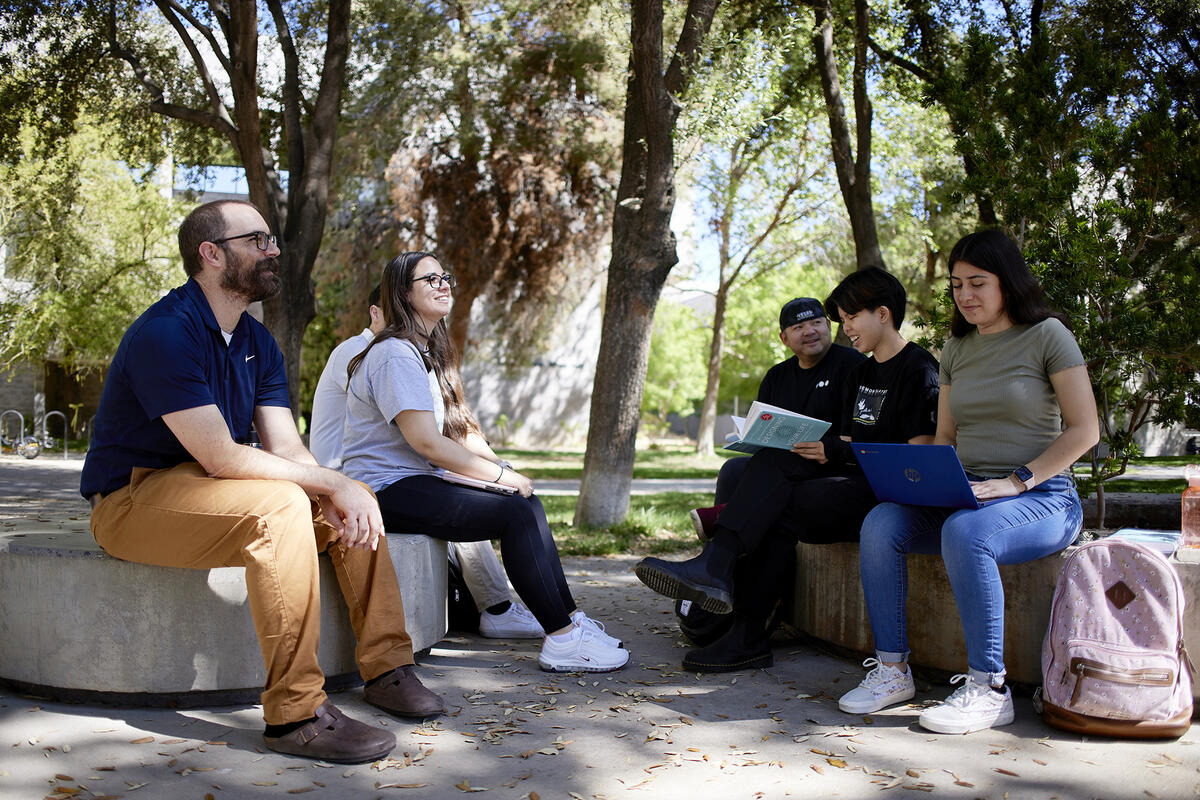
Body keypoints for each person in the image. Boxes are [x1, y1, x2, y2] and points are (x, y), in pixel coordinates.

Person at [80, 200, 444, 765]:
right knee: (281, 507)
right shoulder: (166, 333)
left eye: (272, 239)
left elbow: (286, 448)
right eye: (258, 241)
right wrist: (328, 483)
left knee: (349, 498)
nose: (274, 250)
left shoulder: (256, 341)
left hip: (205, 489)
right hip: (132, 499)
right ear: (211, 254)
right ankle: (296, 715)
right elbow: (221, 456)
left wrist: (335, 487)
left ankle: (388, 669)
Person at [838, 230, 1099, 735]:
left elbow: (1085, 430)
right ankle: (892, 670)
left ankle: (989, 687)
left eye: (977, 283)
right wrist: (920, 481)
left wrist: (1017, 481)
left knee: (966, 532)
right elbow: (945, 438)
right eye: (957, 285)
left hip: (1044, 496)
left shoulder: (1048, 335)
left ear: (1007, 282)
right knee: (881, 522)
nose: (965, 295)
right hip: (970, 490)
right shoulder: (956, 347)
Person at [636, 269, 940, 672]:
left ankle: (723, 580)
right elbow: (849, 442)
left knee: (772, 499)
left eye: (850, 318)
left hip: (885, 495)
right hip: (850, 481)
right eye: (842, 319)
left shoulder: (918, 368)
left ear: (882, 314)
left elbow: (917, 461)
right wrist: (832, 449)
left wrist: (835, 451)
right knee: (772, 476)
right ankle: (738, 617)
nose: (845, 328)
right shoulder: (864, 373)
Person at [340, 251, 628, 673]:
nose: (443, 284)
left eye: (445, 277)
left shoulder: (421, 353)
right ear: (402, 292)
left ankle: (569, 621)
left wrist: (504, 473)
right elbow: (428, 443)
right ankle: (564, 641)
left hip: (413, 482)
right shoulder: (395, 354)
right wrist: (500, 476)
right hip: (383, 490)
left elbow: (454, 434)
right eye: (430, 279)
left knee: (526, 504)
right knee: (515, 513)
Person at [310, 286, 542, 639]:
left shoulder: (407, 354)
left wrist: (499, 467)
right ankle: (497, 608)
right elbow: (421, 435)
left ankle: (499, 607)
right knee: (458, 491)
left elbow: (445, 428)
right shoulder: (361, 352)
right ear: (375, 313)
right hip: (346, 476)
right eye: (395, 310)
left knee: (466, 488)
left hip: (384, 471)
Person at [680, 298, 864, 647]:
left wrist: (827, 446)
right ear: (784, 338)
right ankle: (723, 582)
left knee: (772, 480)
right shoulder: (777, 377)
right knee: (734, 470)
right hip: (784, 465)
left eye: (816, 322)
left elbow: (859, 435)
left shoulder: (853, 366)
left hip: (833, 468)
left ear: (829, 326)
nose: (810, 331)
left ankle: (723, 562)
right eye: (798, 327)